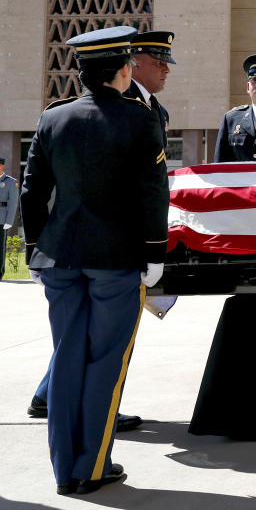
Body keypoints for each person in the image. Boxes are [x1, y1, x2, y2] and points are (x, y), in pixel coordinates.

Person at [19, 26, 169, 495]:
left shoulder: (52, 118)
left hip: (59, 256)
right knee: (105, 362)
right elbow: (152, 192)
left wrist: (33, 249)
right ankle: (92, 467)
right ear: (124, 71)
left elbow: (32, 191)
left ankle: (66, 469)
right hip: (117, 259)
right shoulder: (139, 119)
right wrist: (154, 252)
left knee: (67, 359)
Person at [125, 29, 175, 147]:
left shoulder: (160, 111)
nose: (167, 70)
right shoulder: (122, 104)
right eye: (159, 63)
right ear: (135, 63)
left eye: (166, 64)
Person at [0, 157, 18, 278]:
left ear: (2, 166)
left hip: (1, 218)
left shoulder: (11, 182)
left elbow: (13, 202)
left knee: (0, 247)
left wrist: (9, 220)